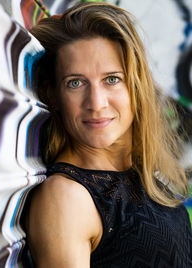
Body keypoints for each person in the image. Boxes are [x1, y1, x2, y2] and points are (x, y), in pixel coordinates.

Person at [26, 2, 192, 267]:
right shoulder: (67, 197)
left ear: (135, 86)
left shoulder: (140, 176)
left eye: (112, 79)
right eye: (75, 83)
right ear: (54, 96)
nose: (96, 102)